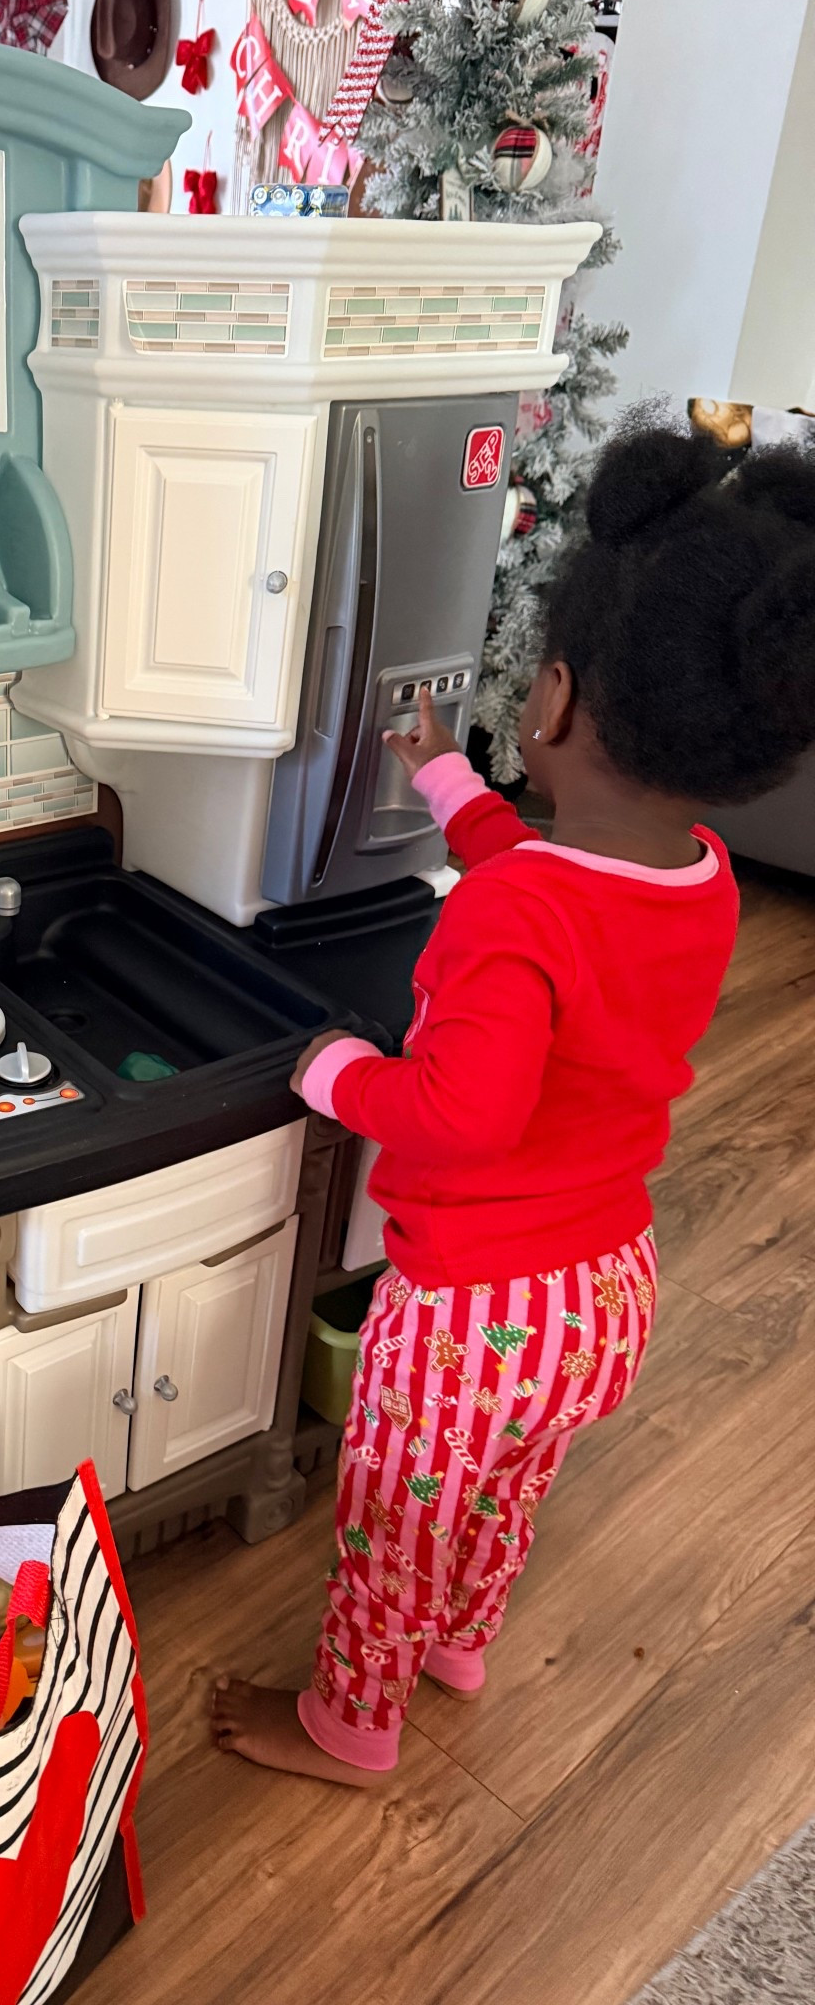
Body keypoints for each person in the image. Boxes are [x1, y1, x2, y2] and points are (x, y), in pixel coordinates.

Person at [211, 419, 815, 1784]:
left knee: (392, 1513)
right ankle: (459, 1647)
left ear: (548, 703)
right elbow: (536, 866)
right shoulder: (696, 871)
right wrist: (439, 774)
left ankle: (348, 1722)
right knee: (497, 1492)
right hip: (602, 1290)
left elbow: (458, 1112)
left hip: (478, 1304)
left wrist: (333, 1074)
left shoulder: (512, 912)